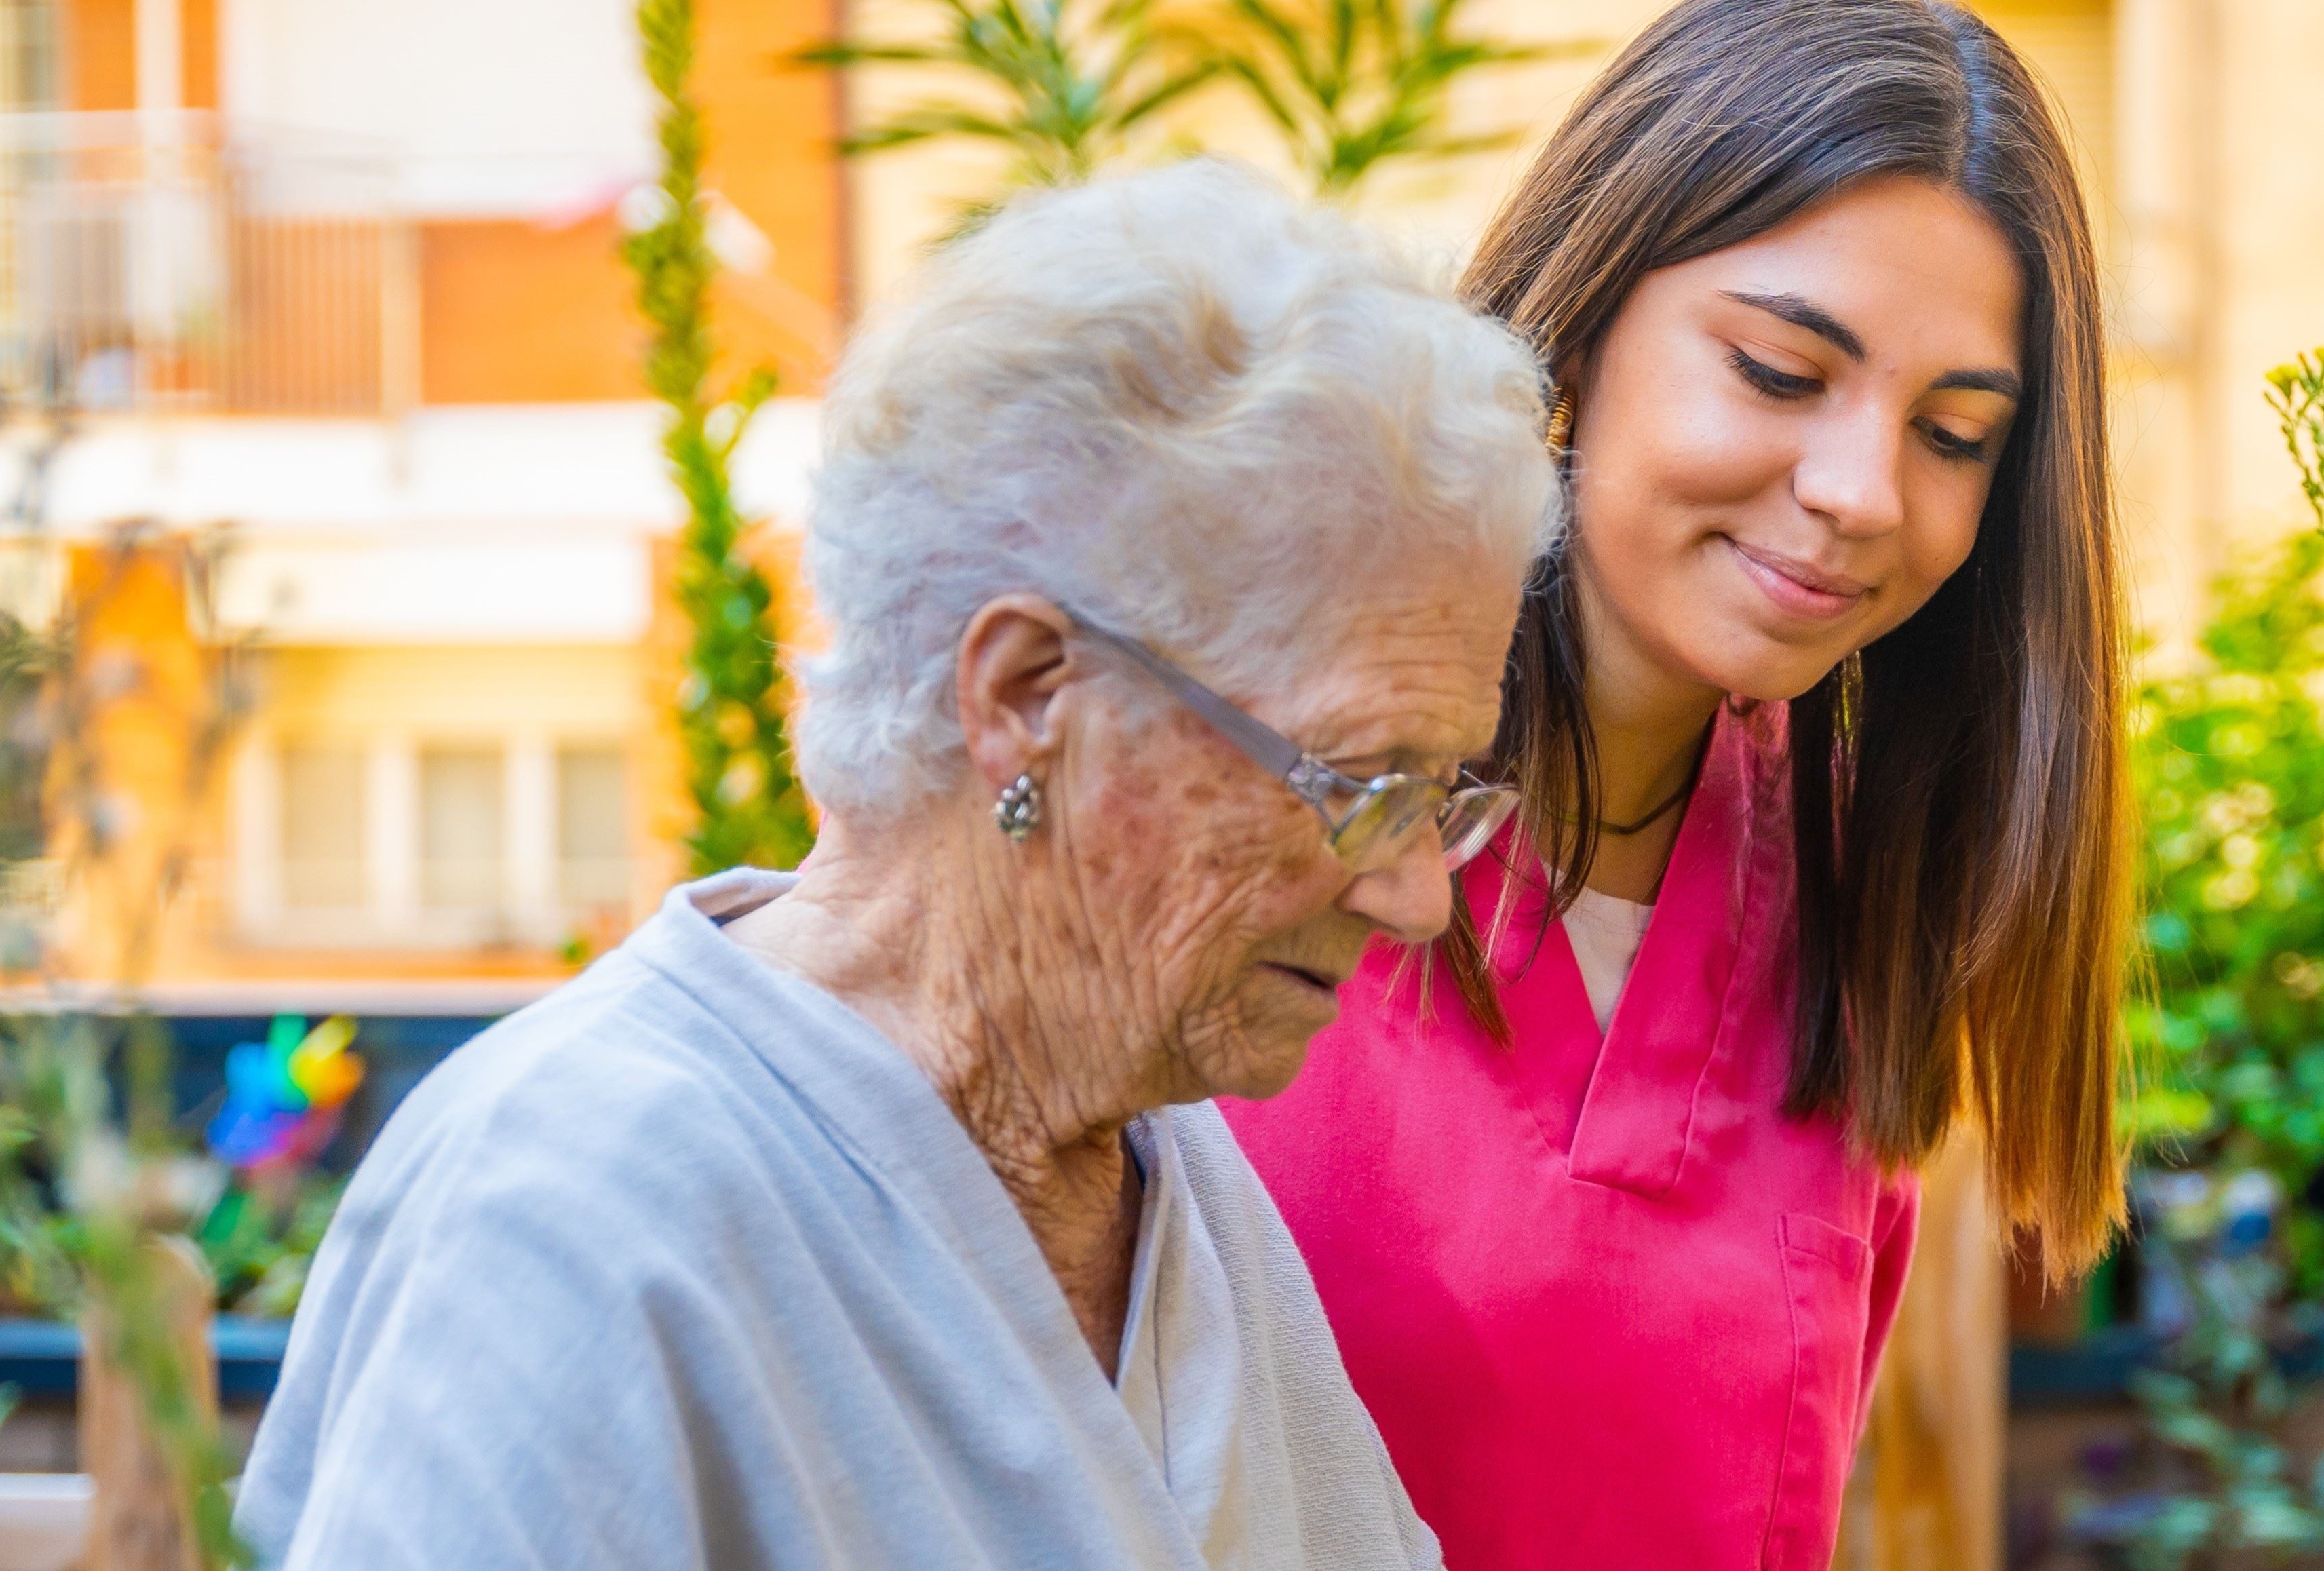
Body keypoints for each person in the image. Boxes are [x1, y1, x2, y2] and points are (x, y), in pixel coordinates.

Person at [233, 161, 1560, 1570]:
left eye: (1441, 795)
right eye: (1358, 783)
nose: (1418, 893)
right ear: (1030, 698)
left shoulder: (1175, 1175)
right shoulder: (577, 1211)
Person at [1221, 3, 2133, 1566]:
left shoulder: (1862, 898)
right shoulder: (1231, 775)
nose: (1862, 493)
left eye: (1954, 433)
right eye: (1781, 372)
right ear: (1585, 317)